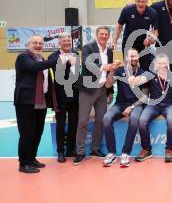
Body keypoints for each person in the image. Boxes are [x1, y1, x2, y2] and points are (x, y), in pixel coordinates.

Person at [74, 27, 119, 165]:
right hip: (87, 89)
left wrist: (110, 91)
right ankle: (80, 152)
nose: (104, 36)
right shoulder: (88, 48)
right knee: (82, 121)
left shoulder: (110, 51)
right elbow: (87, 64)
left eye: (106, 34)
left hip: (102, 90)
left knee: (101, 120)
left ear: (109, 36)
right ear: (96, 35)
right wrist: (106, 67)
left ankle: (95, 148)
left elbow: (110, 74)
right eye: (102, 34)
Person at [14, 35, 59, 173]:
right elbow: (34, 67)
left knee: (37, 132)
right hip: (26, 102)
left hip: (41, 101)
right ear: (28, 44)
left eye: (40, 43)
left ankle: (32, 158)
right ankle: (24, 163)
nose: (38, 45)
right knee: (27, 133)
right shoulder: (23, 57)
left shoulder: (42, 59)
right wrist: (55, 60)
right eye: (35, 43)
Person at [136, 53, 172, 163]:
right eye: (160, 63)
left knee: (171, 121)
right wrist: (136, 79)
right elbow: (143, 78)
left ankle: (169, 149)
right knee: (142, 120)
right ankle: (146, 149)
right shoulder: (151, 74)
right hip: (154, 104)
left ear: (167, 64)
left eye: (164, 63)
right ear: (156, 64)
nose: (162, 65)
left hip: (170, 104)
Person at [102, 49, 146, 167]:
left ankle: (126, 153)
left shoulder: (143, 73)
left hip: (136, 104)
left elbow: (145, 97)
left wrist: (131, 107)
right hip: (120, 104)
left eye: (135, 56)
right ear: (126, 58)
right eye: (131, 56)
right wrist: (112, 71)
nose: (133, 58)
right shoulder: (120, 70)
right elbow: (108, 84)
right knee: (106, 118)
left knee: (134, 119)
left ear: (138, 57)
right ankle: (111, 153)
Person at [48, 34, 79, 163]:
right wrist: (68, 63)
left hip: (75, 94)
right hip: (60, 95)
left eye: (68, 41)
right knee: (60, 124)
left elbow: (77, 73)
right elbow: (59, 75)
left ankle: (70, 149)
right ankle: (60, 151)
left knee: (73, 123)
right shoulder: (53, 57)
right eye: (64, 41)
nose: (66, 43)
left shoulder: (76, 54)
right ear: (59, 43)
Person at [112, 0, 159, 71]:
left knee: (145, 69)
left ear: (147, 2)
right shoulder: (127, 10)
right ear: (135, 1)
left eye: (143, 2)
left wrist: (151, 40)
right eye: (138, 1)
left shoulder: (152, 13)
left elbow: (155, 32)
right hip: (129, 44)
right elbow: (119, 26)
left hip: (144, 44)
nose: (140, 4)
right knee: (129, 68)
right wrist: (114, 41)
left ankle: (143, 83)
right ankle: (129, 82)